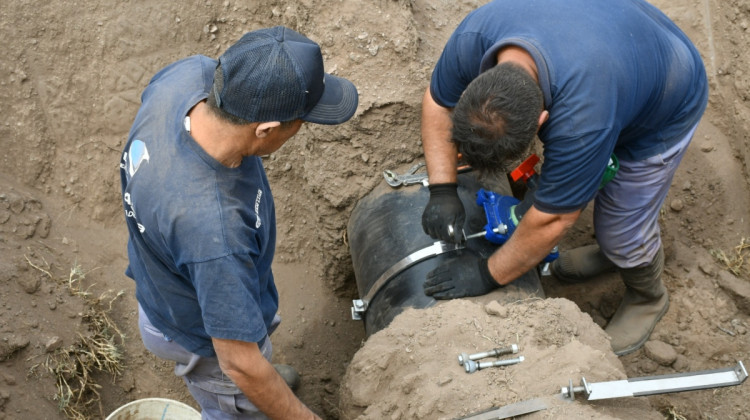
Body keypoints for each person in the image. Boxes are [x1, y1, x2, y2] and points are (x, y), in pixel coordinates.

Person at [419, 0, 707, 356]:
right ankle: (610, 255)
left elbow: (553, 219)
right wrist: (443, 189)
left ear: (543, 121)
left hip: (668, 93)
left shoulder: (582, 122)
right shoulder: (476, 35)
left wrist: (486, 274)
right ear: (477, 79)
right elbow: (438, 102)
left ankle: (647, 295)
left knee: (621, 227)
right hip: (617, 35)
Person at [120, 26, 358, 419]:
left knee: (251, 366)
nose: (303, 129)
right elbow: (238, 361)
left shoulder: (187, 77)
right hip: (202, 341)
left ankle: (258, 386)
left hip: (163, 284)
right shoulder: (215, 232)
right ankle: (238, 402)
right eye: (303, 120)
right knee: (238, 396)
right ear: (264, 130)